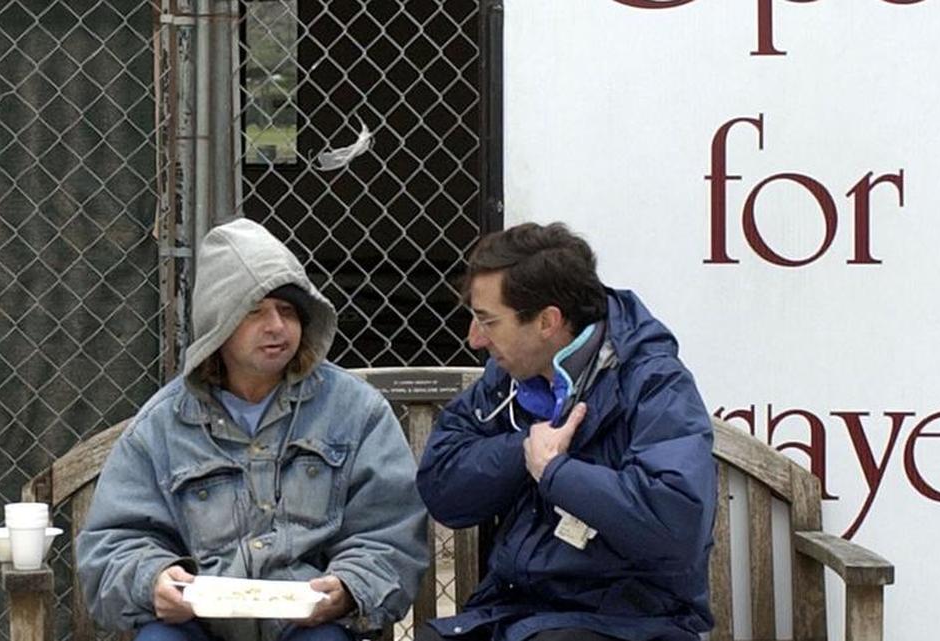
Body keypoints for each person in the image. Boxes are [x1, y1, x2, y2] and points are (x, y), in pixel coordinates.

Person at [77, 218, 429, 641]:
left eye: (287, 310)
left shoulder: (356, 411)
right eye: (254, 311)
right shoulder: (161, 427)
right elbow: (114, 542)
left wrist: (349, 588)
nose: (277, 327)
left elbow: (389, 531)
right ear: (218, 327)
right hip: (198, 628)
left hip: (310, 627)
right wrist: (151, 581)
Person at [416, 222, 717, 641]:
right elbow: (442, 487)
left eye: (488, 321)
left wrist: (556, 472)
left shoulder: (653, 382)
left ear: (547, 322)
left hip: (634, 621)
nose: (474, 339)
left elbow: (675, 522)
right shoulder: (506, 379)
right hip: (516, 610)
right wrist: (523, 448)